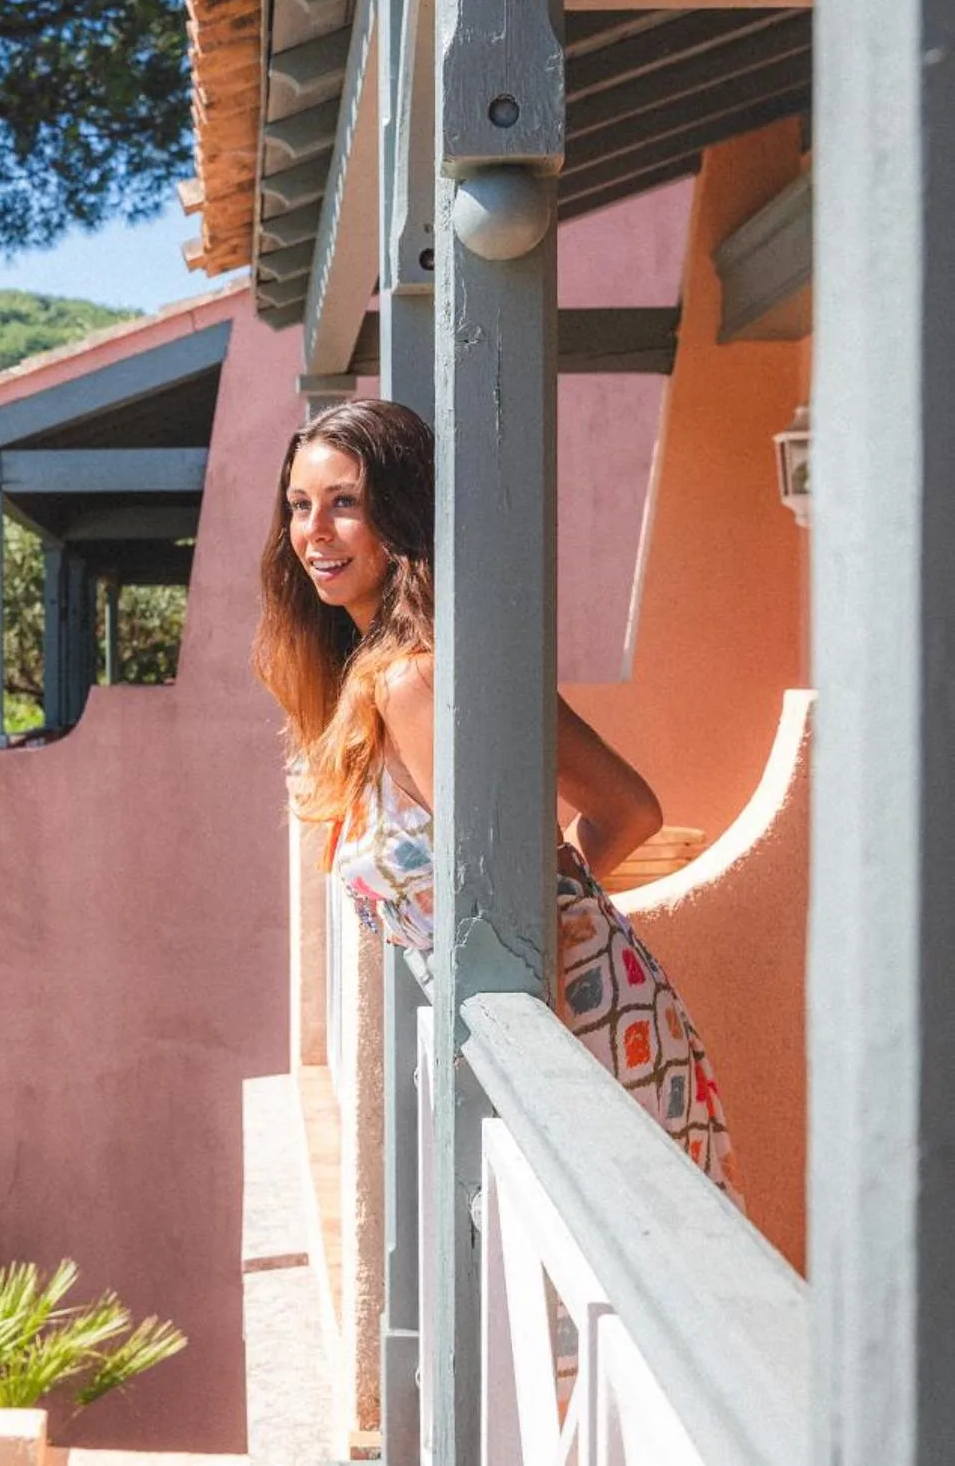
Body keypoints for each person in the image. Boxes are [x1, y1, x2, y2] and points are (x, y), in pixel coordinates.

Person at [252, 397, 734, 1192]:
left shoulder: (415, 678)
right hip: (617, 1015)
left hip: (586, 1048)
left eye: (345, 503)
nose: (315, 533)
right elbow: (629, 809)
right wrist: (561, 885)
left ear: (400, 512)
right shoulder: (449, 657)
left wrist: (548, 908)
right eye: (300, 507)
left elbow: (513, 880)